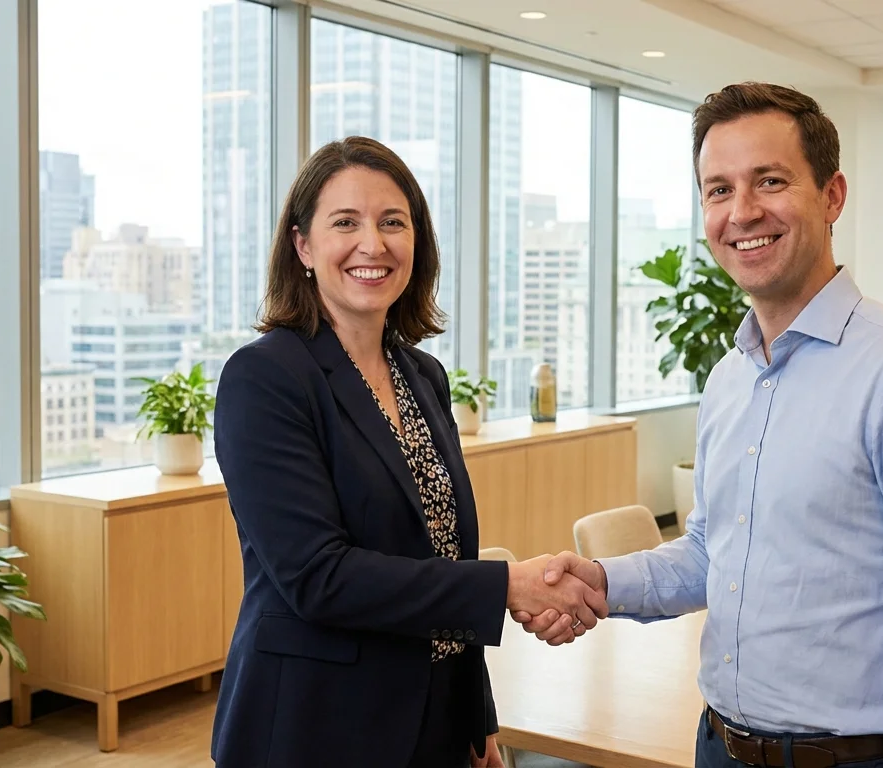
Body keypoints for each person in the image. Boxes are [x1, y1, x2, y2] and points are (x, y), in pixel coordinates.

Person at [514, 83, 883, 768]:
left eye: (770, 181)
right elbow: (712, 553)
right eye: (719, 190)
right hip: (719, 746)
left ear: (832, 196)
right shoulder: (730, 378)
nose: (742, 212)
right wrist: (600, 581)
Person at [211, 136, 608, 768]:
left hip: (436, 719)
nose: (373, 244)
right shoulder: (265, 378)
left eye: (393, 222)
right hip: (317, 728)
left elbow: (446, 554)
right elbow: (319, 577)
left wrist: (478, 718)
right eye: (346, 222)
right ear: (303, 246)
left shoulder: (422, 375)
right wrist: (510, 586)